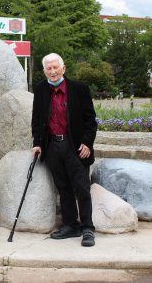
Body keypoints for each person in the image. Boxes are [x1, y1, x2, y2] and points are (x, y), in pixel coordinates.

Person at [31, 53, 98, 247]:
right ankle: (71, 225)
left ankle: (87, 228)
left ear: (63, 68)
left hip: (75, 146)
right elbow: (36, 120)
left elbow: (90, 121)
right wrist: (37, 142)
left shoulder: (79, 89)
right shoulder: (41, 89)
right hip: (52, 146)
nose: (52, 71)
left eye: (55, 67)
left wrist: (87, 143)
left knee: (82, 188)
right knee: (63, 188)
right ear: (44, 71)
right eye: (48, 69)